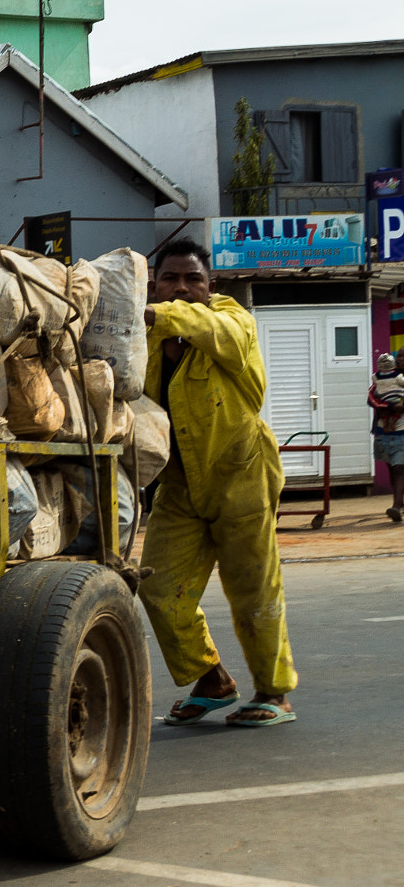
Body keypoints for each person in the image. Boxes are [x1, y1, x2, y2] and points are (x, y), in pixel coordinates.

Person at [138, 238, 297, 728]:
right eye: (170, 279)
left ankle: (274, 693)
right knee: (158, 588)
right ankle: (212, 678)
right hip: (181, 485)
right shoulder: (143, 339)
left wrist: (155, 314)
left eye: (194, 280)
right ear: (153, 282)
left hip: (242, 476)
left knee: (253, 589)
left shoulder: (232, 322)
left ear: (212, 287)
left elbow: (207, 325)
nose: (182, 289)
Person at [371, 351, 404, 523]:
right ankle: (399, 501)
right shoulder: (382, 379)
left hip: (402, 431)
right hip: (385, 432)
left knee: (399, 469)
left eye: (403, 356)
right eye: (399, 356)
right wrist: (387, 406)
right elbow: (371, 397)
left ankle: (396, 506)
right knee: (393, 469)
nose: (400, 359)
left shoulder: (400, 379)